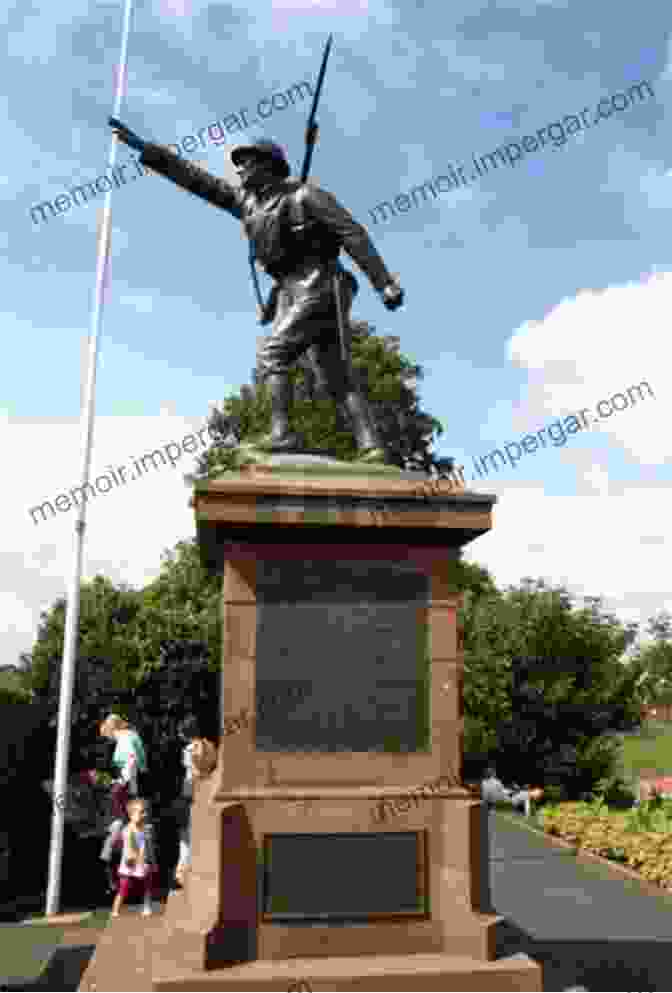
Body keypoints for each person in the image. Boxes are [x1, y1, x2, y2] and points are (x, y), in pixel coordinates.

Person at [108, 118, 404, 463]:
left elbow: (352, 235)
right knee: (335, 375)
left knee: (274, 354)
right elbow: (197, 181)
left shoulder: (306, 196)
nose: (241, 169)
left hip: (321, 283)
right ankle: (372, 445)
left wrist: (383, 282)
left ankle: (282, 434)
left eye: (248, 162)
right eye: (240, 163)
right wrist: (148, 151)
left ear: (270, 166)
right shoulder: (248, 203)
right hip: (290, 290)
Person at [174, 716, 217, 886]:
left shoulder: (189, 749)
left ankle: (181, 874)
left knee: (185, 838)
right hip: (207, 789)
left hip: (191, 791)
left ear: (185, 733)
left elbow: (192, 772)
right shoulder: (211, 746)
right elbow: (211, 767)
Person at [111, 798, 161, 917]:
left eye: (146, 811)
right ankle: (115, 910)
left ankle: (147, 906)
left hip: (144, 861)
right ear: (131, 815)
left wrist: (152, 862)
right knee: (123, 888)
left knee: (148, 884)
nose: (145, 814)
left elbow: (150, 847)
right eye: (141, 812)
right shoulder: (127, 830)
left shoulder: (147, 829)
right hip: (130, 863)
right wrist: (139, 862)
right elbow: (130, 850)